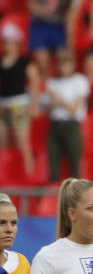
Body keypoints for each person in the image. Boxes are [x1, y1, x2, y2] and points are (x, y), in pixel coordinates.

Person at [40, 48, 90, 182]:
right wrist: (53, 102)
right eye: (61, 63)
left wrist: (58, 99)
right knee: (53, 168)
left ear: (73, 64)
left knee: (75, 167)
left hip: (72, 126)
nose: (64, 66)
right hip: (55, 126)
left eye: (67, 62)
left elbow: (74, 109)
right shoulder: (52, 82)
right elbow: (45, 110)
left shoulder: (80, 81)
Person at [0, 24, 39, 177]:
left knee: (23, 143)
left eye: (9, 41)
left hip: (19, 105)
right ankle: (4, 175)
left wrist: (33, 105)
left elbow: (35, 82)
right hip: (3, 105)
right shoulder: (2, 63)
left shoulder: (24, 62)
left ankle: (29, 175)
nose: (7, 44)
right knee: (2, 144)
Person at [28, 0, 80, 81]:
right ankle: (46, 88)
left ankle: (63, 88)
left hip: (60, 27)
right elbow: (30, 2)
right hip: (39, 25)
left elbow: (71, 17)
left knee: (64, 61)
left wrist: (69, 43)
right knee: (42, 63)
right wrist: (40, 10)